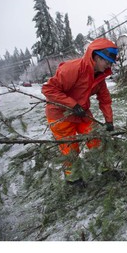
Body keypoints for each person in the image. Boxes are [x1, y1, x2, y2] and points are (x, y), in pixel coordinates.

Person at [42, 38, 118, 185]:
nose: (109, 65)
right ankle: (73, 178)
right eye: (107, 61)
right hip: (59, 114)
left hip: (82, 112)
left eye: (111, 62)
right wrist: (72, 104)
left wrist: (109, 121)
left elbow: (105, 100)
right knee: (70, 148)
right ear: (96, 57)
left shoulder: (99, 76)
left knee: (96, 137)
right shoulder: (72, 69)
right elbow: (48, 89)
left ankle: (105, 168)